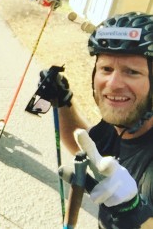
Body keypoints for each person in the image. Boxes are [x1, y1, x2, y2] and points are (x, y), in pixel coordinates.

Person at [35, 12, 153, 227]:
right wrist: (63, 101)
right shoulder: (118, 125)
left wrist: (134, 211)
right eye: (106, 69)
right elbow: (86, 146)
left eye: (132, 72)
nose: (113, 83)